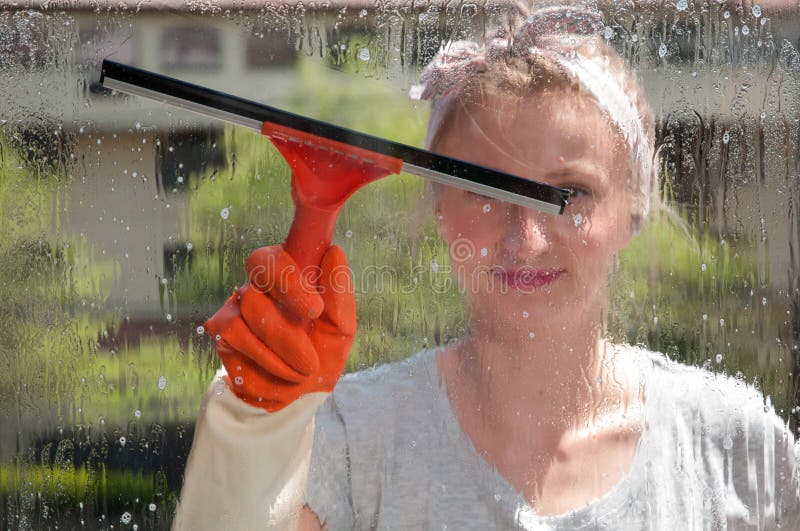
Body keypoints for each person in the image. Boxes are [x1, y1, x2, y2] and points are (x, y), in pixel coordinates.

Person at [173, 5, 800, 530]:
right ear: (439, 207)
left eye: (569, 193)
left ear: (632, 210)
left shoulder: (736, 448)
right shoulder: (346, 441)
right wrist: (255, 430)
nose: (523, 240)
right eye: (483, 190)